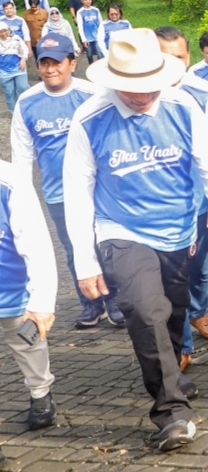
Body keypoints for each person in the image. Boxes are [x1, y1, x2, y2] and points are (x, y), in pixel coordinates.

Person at [64, 27, 208, 452]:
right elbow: (77, 191)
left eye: (151, 86)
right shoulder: (90, 119)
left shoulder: (185, 107)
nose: (143, 95)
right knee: (143, 312)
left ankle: (169, 367)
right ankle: (172, 413)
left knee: (170, 314)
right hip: (120, 230)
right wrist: (85, 262)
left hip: (179, 231)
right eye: (132, 88)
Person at [12, 34, 123, 330]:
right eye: (44, 63)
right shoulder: (27, 102)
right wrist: (21, 199)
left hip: (100, 188)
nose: (50, 69)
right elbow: (22, 156)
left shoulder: (93, 94)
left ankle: (114, 299)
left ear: (72, 63)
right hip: (58, 193)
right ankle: (91, 303)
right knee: (74, 248)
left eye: (57, 62)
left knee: (104, 243)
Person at [156, 27, 208, 370]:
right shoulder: (137, 93)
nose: (173, 65)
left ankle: (199, 312)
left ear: (189, 57)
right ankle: (181, 346)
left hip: (198, 199)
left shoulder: (202, 91)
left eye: (179, 57)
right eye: (164, 57)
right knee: (173, 279)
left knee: (199, 268)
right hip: (159, 206)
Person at [0, 156, 59, 435]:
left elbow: (35, 242)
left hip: (10, 286)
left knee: (25, 343)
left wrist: (41, 300)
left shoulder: (9, 180)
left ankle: (40, 392)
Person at [0, 21, 29, 112]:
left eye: (5, 31)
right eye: (0, 32)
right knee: (9, 93)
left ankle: (27, 108)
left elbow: (24, 49)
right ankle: (14, 112)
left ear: (8, 30)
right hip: (4, 72)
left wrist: (23, 59)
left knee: (23, 87)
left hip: (19, 68)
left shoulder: (16, 38)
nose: (3, 34)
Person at [75, 0, 103, 65]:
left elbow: (101, 23)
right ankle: (91, 69)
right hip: (87, 38)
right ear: (82, 1)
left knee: (100, 54)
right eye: (85, 0)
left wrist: (102, 35)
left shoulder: (96, 10)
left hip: (97, 37)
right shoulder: (80, 12)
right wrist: (83, 39)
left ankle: (100, 68)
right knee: (89, 55)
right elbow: (80, 27)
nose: (88, 1)